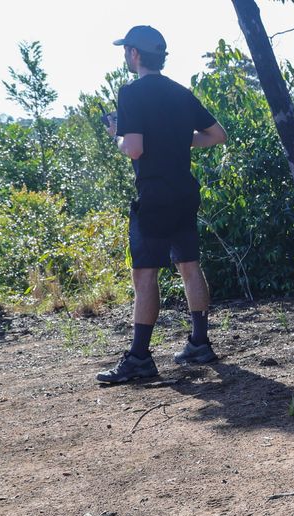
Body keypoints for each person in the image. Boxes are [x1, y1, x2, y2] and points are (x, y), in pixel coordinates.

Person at [97, 25, 227, 384]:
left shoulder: (131, 93)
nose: (125, 56)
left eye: (126, 50)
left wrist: (116, 136)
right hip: (184, 192)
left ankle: (139, 358)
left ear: (135, 55)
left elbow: (134, 148)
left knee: (144, 275)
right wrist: (176, 141)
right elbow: (217, 135)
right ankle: (199, 343)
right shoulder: (180, 92)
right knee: (189, 265)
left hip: (153, 195)